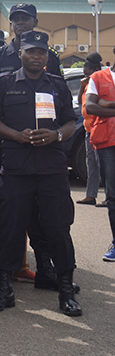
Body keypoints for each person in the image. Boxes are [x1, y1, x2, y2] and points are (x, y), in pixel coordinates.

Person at [0, 31, 80, 316]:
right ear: (21, 54)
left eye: (41, 52)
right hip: (16, 168)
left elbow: (70, 123)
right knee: (10, 229)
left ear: (47, 56)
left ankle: (65, 290)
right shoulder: (3, 83)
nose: (36, 56)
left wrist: (56, 136)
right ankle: (4, 289)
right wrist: (16, 135)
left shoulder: (58, 85)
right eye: (31, 51)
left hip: (51, 169)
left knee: (58, 229)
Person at [0, 4, 65, 293]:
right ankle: (3, 271)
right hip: (7, 149)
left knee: (43, 216)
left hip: (45, 151)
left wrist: (54, 135)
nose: (20, 23)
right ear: (11, 24)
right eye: (15, 19)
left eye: (25, 19)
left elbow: (60, 100)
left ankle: (45, 269)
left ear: (35, 21)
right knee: (8, 215)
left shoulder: (49, 57)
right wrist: (13, 136)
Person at [83, 49, 115, 262]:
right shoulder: (98, 77)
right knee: (113, 195)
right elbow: (91, 106)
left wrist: (108, 104)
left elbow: (100, 104)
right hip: (108, 144)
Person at [76, 52, 103, 206]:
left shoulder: (100, 81)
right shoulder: (88, 83)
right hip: (88, 129)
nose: (86, 74)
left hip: (100, 128)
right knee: (91, 163)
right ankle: (91, 195)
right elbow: (81, 101)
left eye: (88, 71)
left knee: (104, 163)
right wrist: (82, 86)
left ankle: (109, 195)